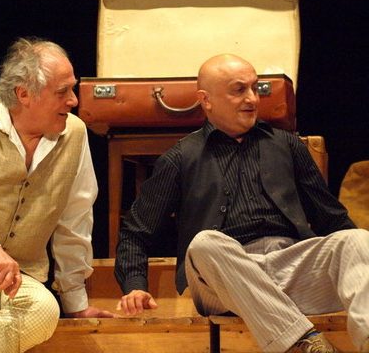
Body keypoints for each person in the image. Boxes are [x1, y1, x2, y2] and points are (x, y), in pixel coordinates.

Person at [114, 54, 369, 353]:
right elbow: (136, 232)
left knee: (356, 239)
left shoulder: (287, 145)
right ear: (206, 100)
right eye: (239, 90)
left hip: (289, 265)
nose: (252, 98)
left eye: (255, 88)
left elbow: (332, 218)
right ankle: (304, 345)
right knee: (204, 243)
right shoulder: (179, 158)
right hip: (222, 279)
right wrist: (135, 285)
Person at [0, 37, 115, 352]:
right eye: (62, 92)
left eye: (73, 89)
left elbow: (75, 218)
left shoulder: (73, 134)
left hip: (4, 285)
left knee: (41, 311)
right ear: (24, 94)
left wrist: (75, 301)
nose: (73, 100)